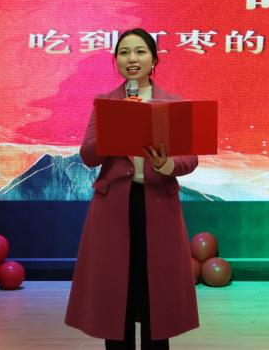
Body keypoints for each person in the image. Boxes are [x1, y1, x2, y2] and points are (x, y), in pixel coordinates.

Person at [66, 29, 199, 349]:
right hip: (113, 209)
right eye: (124, 52)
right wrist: (117, 125)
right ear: (116, 61)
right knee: (116, 294)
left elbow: (190, 158)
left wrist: (167, 165)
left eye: (140, 51)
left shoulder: (172, 103)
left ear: (154, 59)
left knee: (157, 293)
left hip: (158, 205)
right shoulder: (106, 104)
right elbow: (88, 156)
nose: (132, 59)